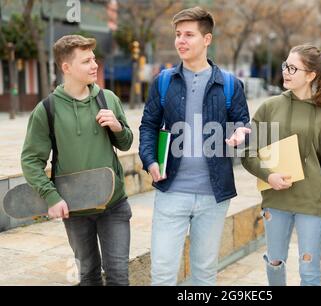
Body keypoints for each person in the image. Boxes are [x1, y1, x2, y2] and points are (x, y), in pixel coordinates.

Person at [139, 7, 250, 286]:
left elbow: (242, 123)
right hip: (171, 191)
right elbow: (148, 126)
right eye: (178, 34)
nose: (181, 41)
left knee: (204, 274)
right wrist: (150, 160)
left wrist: (239, 135)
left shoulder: (229, 84)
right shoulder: (163, 82)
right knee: (163, 273)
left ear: (207, 39)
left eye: (189, 34)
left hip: (213, 196)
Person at [21, 35, 134, 286]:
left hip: (113, 206)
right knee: (88, 275)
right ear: (66, 68)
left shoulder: (108, 99)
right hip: (75, 208)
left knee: (118, 276)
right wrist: (51, 197)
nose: (94, 65)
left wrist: (117, 126)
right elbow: (30, 160)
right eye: (86, 61)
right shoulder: (47, 109)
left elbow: (126, 143)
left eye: (94, 59)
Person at [241, 44, 321, 286]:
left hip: (312, 202)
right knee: (274, 262)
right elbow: (249, 153)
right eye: (286, 65)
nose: (286, 71)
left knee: (309, 268)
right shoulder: (269, 107)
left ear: (311, 75)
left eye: (293, 68)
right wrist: (269, 176)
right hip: (275, 200)